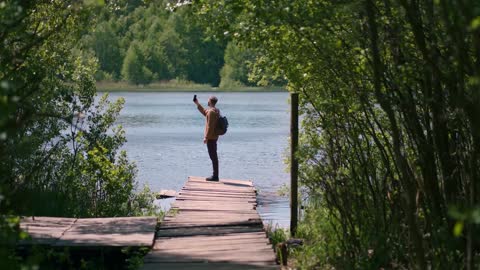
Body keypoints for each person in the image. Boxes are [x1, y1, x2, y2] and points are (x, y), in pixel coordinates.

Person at [193, 95, 220, 181]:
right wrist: (197, 103)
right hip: (214, 136)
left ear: (210, 102)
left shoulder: (212, 112)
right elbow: (205, 112)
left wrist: (206, 137)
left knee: (213, 157)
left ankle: (215, 176)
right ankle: (215, 175)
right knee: (213, 156)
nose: (207, 101)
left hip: (211, 137)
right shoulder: (215, 110)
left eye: (208, 100)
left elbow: (210, 126)